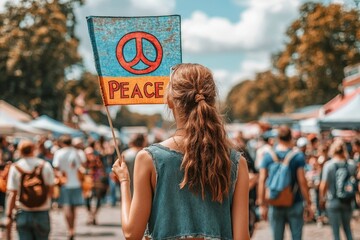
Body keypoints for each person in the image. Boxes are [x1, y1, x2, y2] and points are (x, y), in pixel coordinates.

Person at [112, 63, 250, 239]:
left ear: (170, 101)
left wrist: (124, 180)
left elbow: (132, 234)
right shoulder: (237, 163)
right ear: (212, 100)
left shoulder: (149, 158)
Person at [257, 125, 313, 240]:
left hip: (274, 201)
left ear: (278, 138)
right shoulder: (297, 156)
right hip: (295, 201)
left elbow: (262, 180)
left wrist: (262, 204)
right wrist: (308, 203)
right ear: (290, 137)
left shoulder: (268, 156)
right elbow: (302, 181)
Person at [5, 140, 54, 240]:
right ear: (34, 149)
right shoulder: (45, 165)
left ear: (20, 151)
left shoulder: (15, 167)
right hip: (42, 212)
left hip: (23, 212)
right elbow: (51, 191)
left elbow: (12, 194)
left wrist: (9, 215)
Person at [319, 139, 357, 240]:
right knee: (347, 228)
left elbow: (324, 185)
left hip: (333, 201)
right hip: (347, 200)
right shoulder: (351, 164)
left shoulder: (329, 165)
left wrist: (322, 199)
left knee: (336, 232)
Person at [53, 135, 85, 240]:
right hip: (76, 182)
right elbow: (82, 164)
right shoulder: (77, 152)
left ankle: (69, 228)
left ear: (62, 143)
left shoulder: (59, 153)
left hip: (64, 183)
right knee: (74, 208)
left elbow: (56, 167)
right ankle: (73, 229)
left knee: (66, 207)